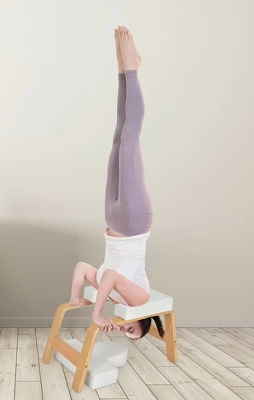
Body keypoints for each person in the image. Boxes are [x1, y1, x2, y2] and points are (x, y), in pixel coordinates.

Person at [69, 26, 164, 340]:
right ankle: (131, 68)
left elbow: (83, 268)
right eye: (133, 330)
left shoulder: (111, 296)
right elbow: (109, 273)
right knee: (130, 136)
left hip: (112, 220)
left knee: (118, 135)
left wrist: (75, 297)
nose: (125, 328)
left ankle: (124, 69)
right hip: (134, 222)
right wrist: (96, 313)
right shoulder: (139, 300)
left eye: (125, 334)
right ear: (143, 320)